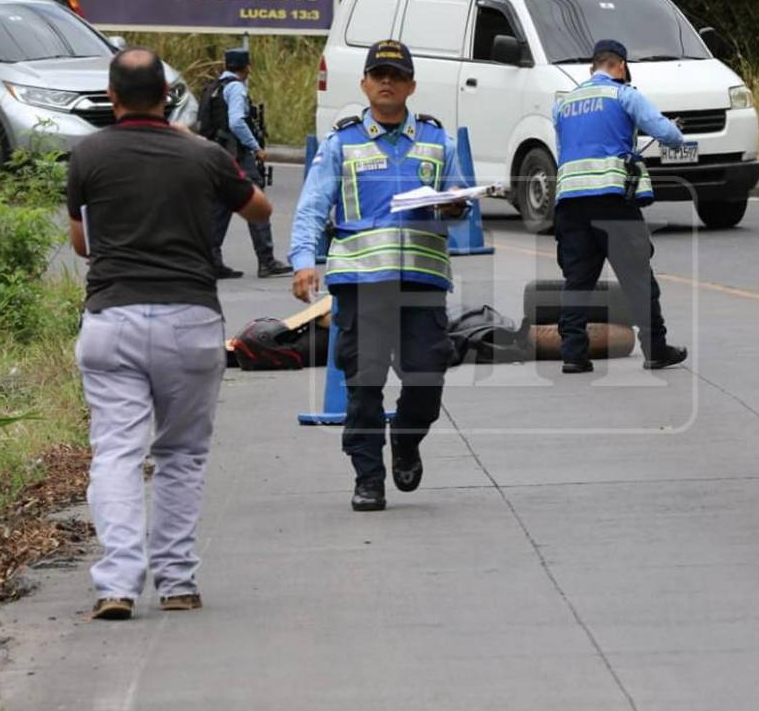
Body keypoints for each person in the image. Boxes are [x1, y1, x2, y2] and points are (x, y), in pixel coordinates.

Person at [67, 46, 274, 620]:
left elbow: (82, 244)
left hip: (113, 319)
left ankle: (117, 585)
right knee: (181, 454)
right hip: (190, 320)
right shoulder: (203, 154)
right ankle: (178, 582)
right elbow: (260, 210)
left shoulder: (88, 154)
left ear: (112, 98)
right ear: (168, 96)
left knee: (115, 455)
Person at [290, 39, 466, 512]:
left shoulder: (437, 141)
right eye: (378, 74)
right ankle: (368, 477)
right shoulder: (341, 143)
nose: (386, 82)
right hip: (362, 282)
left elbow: (461, 210)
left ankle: (406, 441)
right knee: (363, 384)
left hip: (423, 281)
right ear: (365, 83)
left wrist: (453, 204)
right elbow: (312, 207)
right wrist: (304, 260)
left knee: (427, 378)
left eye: (396, 75)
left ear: (411, 85)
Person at [552, 38, 690, 374]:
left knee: (578, 280)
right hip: (611, 201)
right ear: (621, 66)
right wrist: (678, 133)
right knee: (638, 278)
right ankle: (656, 349)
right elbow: (666, 134)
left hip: (569, 203)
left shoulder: (564, 104)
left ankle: (573, 354)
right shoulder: (624, 94)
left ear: (592, 67)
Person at [208, 47, 291, 279]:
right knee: (255, 202)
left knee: (221, 206)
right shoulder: (235, 88)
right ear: (247, 67)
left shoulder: (216, 87)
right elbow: (236, 121)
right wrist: (255, 146)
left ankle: (211, 260)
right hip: (237, 154)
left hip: (219, 153)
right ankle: (266, 261)